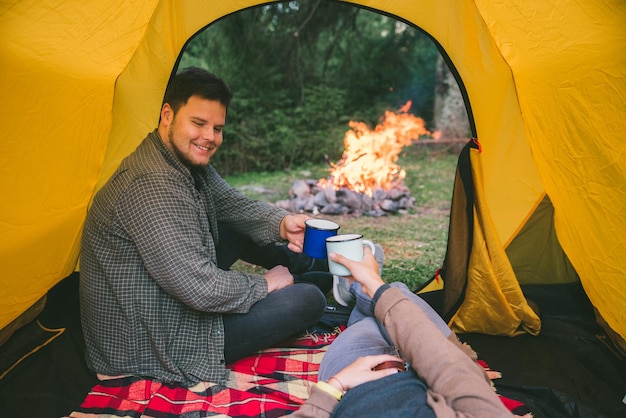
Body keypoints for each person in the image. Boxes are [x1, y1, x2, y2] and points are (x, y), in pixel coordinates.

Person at [79, 67, 328, 387]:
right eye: (198, 123)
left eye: (217, 128)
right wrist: (265, 285)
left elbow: (235, 205)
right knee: (308, 300)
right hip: (153, 341)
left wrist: (282, 224)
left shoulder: (180, 159)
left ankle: (310, 268)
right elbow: (200, 288)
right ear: (167, 115)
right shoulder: (153, 183)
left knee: (239, 225)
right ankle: (308, 281)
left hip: (164, 298)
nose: (209, 137)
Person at [293, 247, 514, 417]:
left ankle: (359, 287)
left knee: (377, 313)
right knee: (393, 297)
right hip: (431, 391)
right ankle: (364, 286)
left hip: (354, 383)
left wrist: (335, 386)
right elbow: (448, 365)